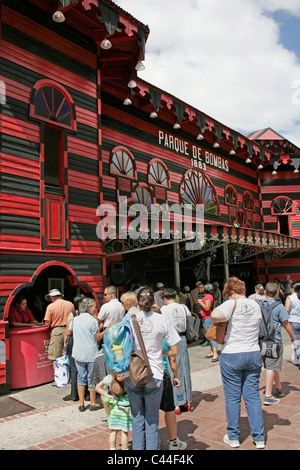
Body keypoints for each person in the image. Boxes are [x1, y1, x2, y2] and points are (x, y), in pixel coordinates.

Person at [211, 276, 265, 449]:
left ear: (231, 292)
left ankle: (233, 436)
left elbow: (214, 314)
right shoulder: (256, 304)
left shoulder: (231, 303)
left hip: (232, 353)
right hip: (253, 352)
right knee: (253, 397)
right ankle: (259, 437)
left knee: (233, 398)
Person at [124, 286, 180, 450]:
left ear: (138, 302)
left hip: (132, 373)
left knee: (137, 417)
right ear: (154, 301)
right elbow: (174, 351)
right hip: (154, 373)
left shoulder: (130, 319)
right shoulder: (162, 320)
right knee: (152, 419)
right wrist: (159, 351)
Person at [69, 297, 115, 412]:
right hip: (90, 352)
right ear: (89, 307)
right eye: (94, 307)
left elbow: (69, 331)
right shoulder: (92, 321)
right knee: (92, 378)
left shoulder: (75, 319)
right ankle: (92, 402)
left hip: (78, 352)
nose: (96, 309)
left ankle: (81, 403)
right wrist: (107, 328)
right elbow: (98, 337)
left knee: (81, 377)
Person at [262, 282, 297, 405]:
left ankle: (279, 388)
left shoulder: (258, 305)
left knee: (272, 363)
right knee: (271, 366)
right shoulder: (279, 306)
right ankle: (268, 395)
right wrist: (294, 338)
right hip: (274, 339)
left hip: (261, 340)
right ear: (277, 292)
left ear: (264, 292)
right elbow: (286, 324)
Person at [160, 287, 193, 414]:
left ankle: (177, 401)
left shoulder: (163, 309)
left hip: (169, 338)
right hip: (183, 337)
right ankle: (188, 400)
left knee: (173, 368)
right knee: (185, 366)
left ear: (164, 298)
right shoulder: (183, 307)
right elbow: (189, 319)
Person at [44, 288, 75, 383]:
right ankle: (71, 377)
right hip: (69, 330)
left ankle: (58, 379)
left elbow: (47, 323)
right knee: (70, 354)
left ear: (53, 297)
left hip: (57, 331)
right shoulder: (70, 304)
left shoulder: (50, 307)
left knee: (55, 356)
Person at [161, 339, 187, 450]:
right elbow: (173, 358)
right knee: (169, 409)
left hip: (141, 374)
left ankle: (147, 441)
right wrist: (176, 376)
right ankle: (173, 441)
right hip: (162, 372)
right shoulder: (163, 334)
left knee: (146, 411)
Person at [95, 372, 132, 450]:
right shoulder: (128, 378)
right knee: (124, 432)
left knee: (113, 431)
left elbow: (97, 387)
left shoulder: (110, 378)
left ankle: (112, 448)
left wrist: (106, 394)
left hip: (114, 409)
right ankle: (125, 449)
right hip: (126, 410)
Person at [64, 293, 85, 401]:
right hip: (83, 342)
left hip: (73, 342)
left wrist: (64, 345)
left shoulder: (72, 315)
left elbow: (68, 332)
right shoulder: (88, 315)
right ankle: (85, 394)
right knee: (84, 367)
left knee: (74, 369)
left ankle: (74, 395)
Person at [198, 283, 219, 361]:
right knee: (209, 335)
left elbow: (207, 308)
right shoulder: (208, 296)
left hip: (208, 317)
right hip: (205, 317)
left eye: (203, 287)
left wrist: (201, 302)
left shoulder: (208, 297)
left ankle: (215, 353)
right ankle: (212, 351)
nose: (201, 288)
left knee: (211, 336)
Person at [285, 281, 300, 366]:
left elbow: (286, 310)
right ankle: (296, 359)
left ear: (293, 289)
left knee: (297, 342)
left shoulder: (290, 298)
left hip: (294, 322)